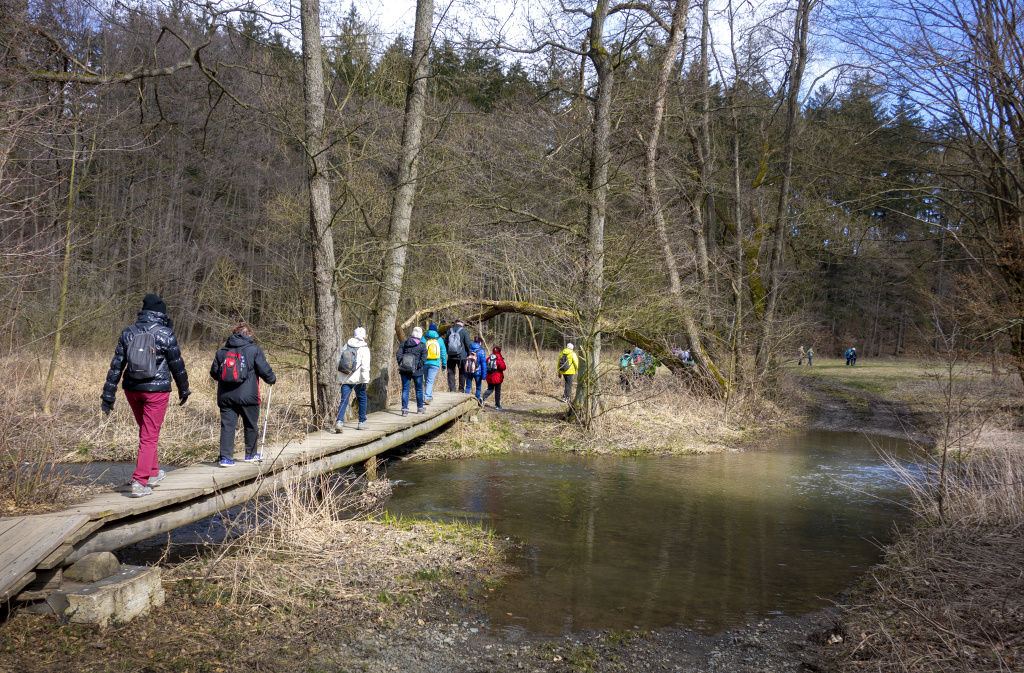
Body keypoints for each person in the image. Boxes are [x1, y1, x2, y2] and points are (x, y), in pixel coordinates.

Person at [101, 293, 191, 498]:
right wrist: (183, 389)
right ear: (161, 313)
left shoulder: (127, 332)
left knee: (146, 431)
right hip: (156, 391)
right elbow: (178, 366)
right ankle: (139, 482)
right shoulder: (166, 334)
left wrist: (108, 395)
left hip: (132, 389)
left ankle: (152, 471)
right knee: (150, 435)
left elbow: (116, 366)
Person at [210, 322, 276, 466]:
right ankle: (251, 455)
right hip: (249, 396)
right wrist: (271, 379)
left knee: (227, 426)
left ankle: (225, 458)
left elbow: (215, 373)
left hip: (226, 396)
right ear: (249, 334)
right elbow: (264, 370)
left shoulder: (222, 352)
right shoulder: (254, 350)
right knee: (251, 425)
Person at [335, 326, 371, 433]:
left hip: (345, 378)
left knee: (344, 400)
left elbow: (339, 362)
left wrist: (341, 377)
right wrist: (365, 380)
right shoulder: (364, 348)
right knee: (362, 399)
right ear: (364, 336)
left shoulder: (346, 345)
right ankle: (362, 422)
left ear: (354, 335)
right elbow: (365, 366)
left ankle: (339, 422)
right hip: (359, 380)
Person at [397, 326, 427, 416]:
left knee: (405, 390)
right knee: (419, 389)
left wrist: (401, 364)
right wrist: (417, 366)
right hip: (417, 371)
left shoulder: (404, 343)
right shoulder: (422, 345)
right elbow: (424, 358)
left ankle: (404, 409)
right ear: (420, 335)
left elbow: (398, 354)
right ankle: (420, 408)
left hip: (405, 370)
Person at [423, 323, 447, 405]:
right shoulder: (439, 340)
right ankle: (426, 397)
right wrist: (444, 364)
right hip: (435, 363)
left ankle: (429, 396)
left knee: (427, 381)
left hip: (424, 362)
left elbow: (419, 350)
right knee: (430, 381)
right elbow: (443, 352)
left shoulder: (423, 339)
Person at [445, 318, 471, 393]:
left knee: (451, 373)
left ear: (456, 323)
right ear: (462, 323)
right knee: (462, 372)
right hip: (461, 356)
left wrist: (448, 352)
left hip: (451, 356)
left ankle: (452, 389)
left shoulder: (449, 331)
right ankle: (461, 389)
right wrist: (469, 353)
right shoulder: (464, 331)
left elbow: (445, 343)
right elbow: (467, 343)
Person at [464, 336, 487, 402]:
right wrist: (484, 375)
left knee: (468, 387)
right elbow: (483, 364)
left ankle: (465, 401)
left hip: (468, 370)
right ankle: (476, 402)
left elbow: (465, 360)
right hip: (477, 372)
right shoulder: (481, 351)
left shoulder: (468, 349)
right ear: (480, 342)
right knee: (478, 387)